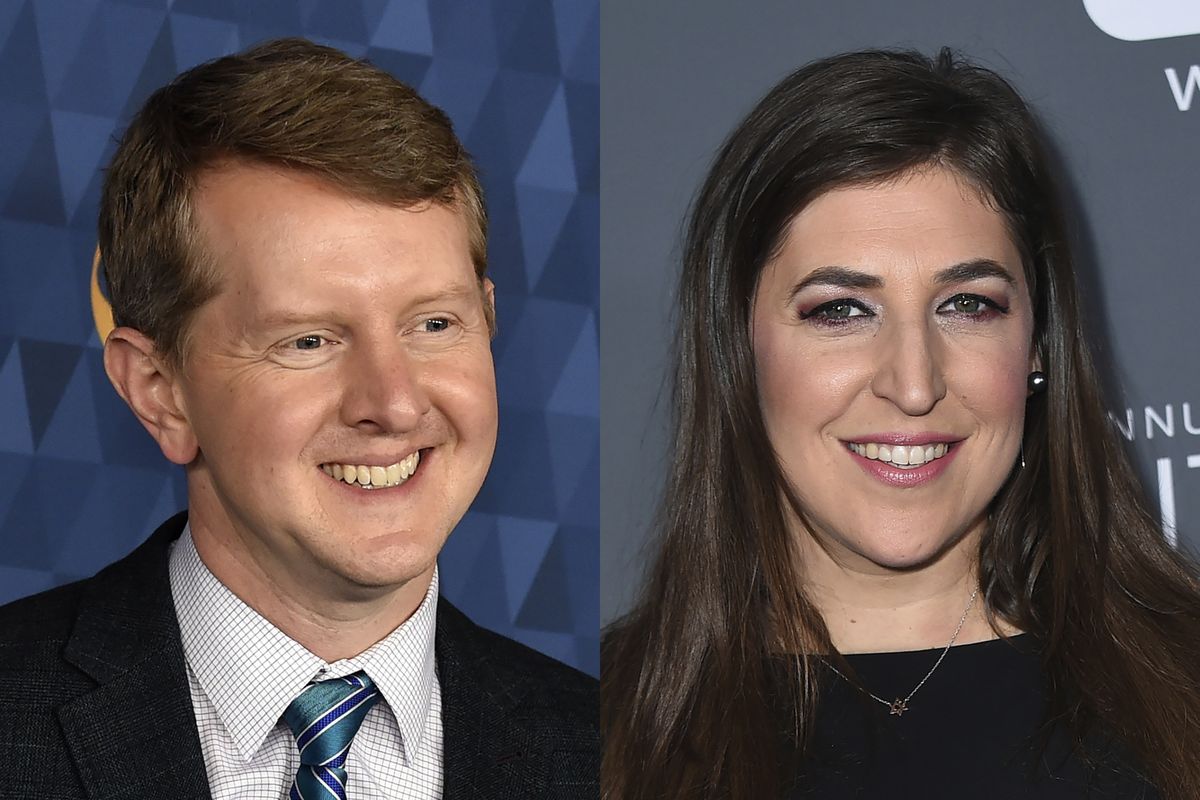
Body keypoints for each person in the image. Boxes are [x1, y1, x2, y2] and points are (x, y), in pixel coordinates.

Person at [0, 38, 596, 800]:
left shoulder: (599, 747)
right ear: (159, 390)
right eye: (308, 340)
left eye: (434, 325)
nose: (394, 403)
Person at [601, 48, 1200, 800]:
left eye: (967, 304)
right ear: (737, 348)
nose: (914, 385)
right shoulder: (587, 727)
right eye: (840, 311)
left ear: (1039, 343)